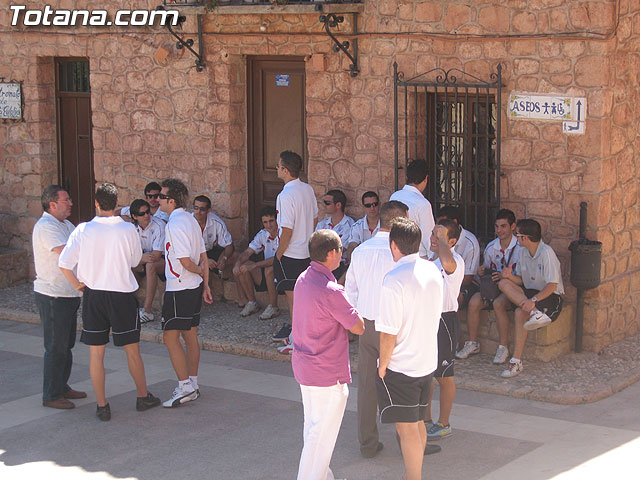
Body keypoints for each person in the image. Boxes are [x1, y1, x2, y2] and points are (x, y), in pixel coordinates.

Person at [58, 183, 160, 421]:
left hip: (94, 294)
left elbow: (64, 263)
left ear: (96, 203)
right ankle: (142, 396)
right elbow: (136, 260)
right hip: (122, 295)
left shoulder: (83, 230)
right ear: (116, 203)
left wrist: (76, 285)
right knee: (132, 351)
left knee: (96, 354)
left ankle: (102, 405)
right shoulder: (127, 229)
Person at [292, 229, 365, 480]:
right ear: (332, 253)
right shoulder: (332, 290)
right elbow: (358, 327)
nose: (342, 254)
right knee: (320, 437)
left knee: (313, 430)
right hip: (326, 372)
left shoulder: (303, 278)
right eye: (341, 250)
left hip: (305, 367)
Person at [376, 217, 443, 480]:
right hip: (426, 361)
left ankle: (413, 478)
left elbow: (388, 331)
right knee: (417, 423)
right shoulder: (432, 271)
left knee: (407, 430)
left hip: (402, 366)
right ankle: (411, 475)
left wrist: (382, 365)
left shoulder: (393, 280)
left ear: (393, 245)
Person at [345, 200, 408, 459]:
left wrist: (357, 321)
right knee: (405, 384)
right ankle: (409, 441)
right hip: (395, 325)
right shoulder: (401, 253)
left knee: (368, 386)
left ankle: (368, 443)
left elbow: (351, 291)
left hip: (367, 323)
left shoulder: (361, 251)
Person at [159, 179, 213, 406]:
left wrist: (200, 273)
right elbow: (203, 255)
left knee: (170, 337)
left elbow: (186, 261)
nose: (157, 200)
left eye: (161, 197)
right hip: (193, 287)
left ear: (171, 201)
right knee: (190, 335)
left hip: (179, 288)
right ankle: (193, 383)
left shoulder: (175, 224)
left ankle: (184, 386)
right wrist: (206, 284)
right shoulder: (191, 220)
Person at [32, 185, 86, 409]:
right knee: (55, 346)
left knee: (66, 344)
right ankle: (52, 394)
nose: (70, 203)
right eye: (65, 200)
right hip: (53, 295)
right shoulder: (46, 227)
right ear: (52, 204)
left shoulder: (66, 224)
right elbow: (67, 253)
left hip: (68, 294)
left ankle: (62, 386)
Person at [497, 219, 564, 378]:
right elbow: (522, 280)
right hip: (529, 294)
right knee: (503, 283)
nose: (516, 238)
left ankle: (515, 360)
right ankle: (535, 313)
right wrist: (509, 276)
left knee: (520, 313)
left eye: (518, 235)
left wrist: (533, 300)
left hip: (549, 296)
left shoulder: (546, 253)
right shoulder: (523, 253)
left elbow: (552, 285)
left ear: (525, 238)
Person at [457, 209, 521, 364]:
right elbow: (485, 270)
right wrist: (481, 271)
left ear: (513, 226)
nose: (499, 230)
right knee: (474, 302)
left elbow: (523, 276)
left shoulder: (520, 247)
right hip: (492, 288)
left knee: (499, 304)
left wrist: (505, 276)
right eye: (497, 226)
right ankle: (473, 343)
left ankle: (503, 347)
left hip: (511, 287)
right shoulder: (492, 247)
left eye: (503, 226)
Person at [272, 151, 318, 353]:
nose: (276, 168)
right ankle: (297, 335)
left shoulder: (285, 195)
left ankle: (298, 340)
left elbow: (287, 230)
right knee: (303, 298)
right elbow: (315, 218)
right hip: (306, 251)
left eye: (279, 165)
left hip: (291, 254)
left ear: (285, 169)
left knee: (294, 301)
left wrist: (278, 255)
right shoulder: (308, 189)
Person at [425, 220, 465, 441]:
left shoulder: (454, 260)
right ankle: (426, 420)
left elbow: (448, 262)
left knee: (444, 376)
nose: (433, 238)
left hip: (445, 321)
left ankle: (444, 423)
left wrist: (441, 243)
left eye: (439, 235)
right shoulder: (429, 260)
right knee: (427, 375)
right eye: (432, 233)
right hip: (427, 320)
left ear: (451, 241)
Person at [232, 206, 280, 320]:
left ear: (277, 220)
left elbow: (277, 259)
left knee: (269, 269)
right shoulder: (262, 234)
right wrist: (238, 263)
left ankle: (274, 307)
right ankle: (252, 303)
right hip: (266, 273)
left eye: (271, 221)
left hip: (282, 272)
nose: (269, 225)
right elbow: (247, 252)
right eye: (265, 222)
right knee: (244, 266)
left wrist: (255, 265)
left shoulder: (283, 233)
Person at [435, 206, 480, 308]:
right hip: (442, 283)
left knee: (455, 296)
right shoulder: (435, 241)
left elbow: (468, 278)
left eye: (442, 225)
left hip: (466, 285)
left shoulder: (470, 242)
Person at [390, 159, 435, 258]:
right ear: (426, 178)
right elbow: (428, 236)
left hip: (396, 253)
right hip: (417, 256)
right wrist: (433, 260)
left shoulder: (394, 196)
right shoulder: (423, 204)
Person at [129, 199, 165, 324]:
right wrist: (139, 258)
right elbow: (126, 254)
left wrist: (138, 258)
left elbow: (155, 255)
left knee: (150, 265)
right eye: (142, 214)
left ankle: (147, 311)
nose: (146, 215)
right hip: (142, 258)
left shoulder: (159, 225)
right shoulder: (131, 227)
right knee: (125, 264)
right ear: (134, 216)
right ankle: (128, 303)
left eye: (148, 212)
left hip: (163, 260)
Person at [192, 195, 235, 298]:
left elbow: (229, 245)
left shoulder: (217, 222)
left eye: (202, 209)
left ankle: (241, 299)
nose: (198, 212)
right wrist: (205, 260)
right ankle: (197, 297)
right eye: (196, 208)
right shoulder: (188, 223)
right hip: (193, 254)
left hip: (211, 250)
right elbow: (185, 250)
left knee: (236, 256)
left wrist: (224, 259)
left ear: (208, 210)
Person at [315, 189, 354, 282]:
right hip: (322, 265)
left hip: (340, 266)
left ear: (338, 205)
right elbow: (315, 246)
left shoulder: (350, 224)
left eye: (327, 203)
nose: (324, 205)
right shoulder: (322, 224)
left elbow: (341, 249)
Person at [345, 191, 381, 262]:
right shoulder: (357, 227)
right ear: (363, 207)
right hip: (362, 262)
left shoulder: (387, 225)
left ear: (379, 204)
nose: (372, 208)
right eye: (368, 205)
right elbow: (352, 246)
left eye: (375, 204)